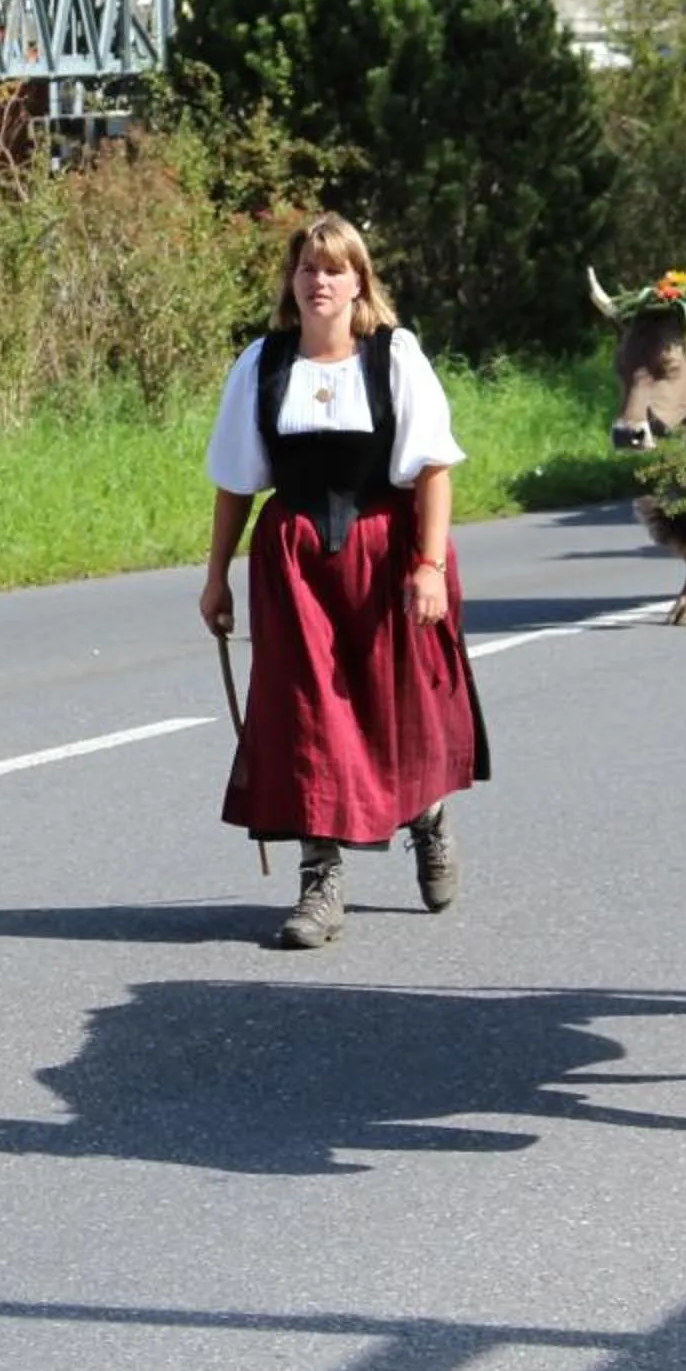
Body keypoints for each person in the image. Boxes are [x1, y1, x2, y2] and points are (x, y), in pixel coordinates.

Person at [198, 214, 488, 949]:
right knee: (304, 714)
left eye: (334, 269)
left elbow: (432, 470)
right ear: (291, 282)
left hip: (387, 553)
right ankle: (320, 880)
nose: (319, 281)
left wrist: (428, 566)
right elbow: (236, 483)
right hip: (294, 558)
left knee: (399, 703)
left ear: (359, 281)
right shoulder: (261, 365)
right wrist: (215, 580)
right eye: (306, 268)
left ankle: (427, 819)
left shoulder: (395, 358)